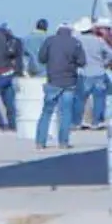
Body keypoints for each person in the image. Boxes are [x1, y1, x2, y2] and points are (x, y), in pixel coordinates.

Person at [36, 22, 86, 150]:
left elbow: (41, 58)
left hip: (53, 80)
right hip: (69, 81)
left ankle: (40, 142)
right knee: (66, 113)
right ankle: (63, 142)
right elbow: (82, 61)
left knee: (47, 112)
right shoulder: (75, 42)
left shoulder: (50, 41)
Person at [75, 21, 111, 131]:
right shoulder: (99, 41)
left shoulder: (77, 41)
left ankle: (80, 121)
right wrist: (104, 63)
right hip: (99, 71)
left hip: (83, 72)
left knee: (81, 99)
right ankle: (97, 122)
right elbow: (110, 53)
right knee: (99, 98)